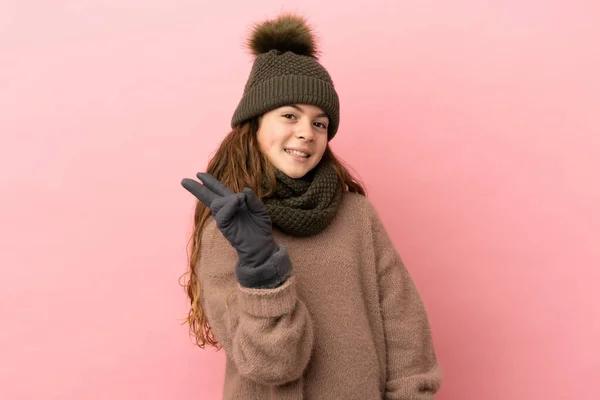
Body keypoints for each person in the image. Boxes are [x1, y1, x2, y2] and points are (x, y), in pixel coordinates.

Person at [181, 13, 442, 399]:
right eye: (290, 115)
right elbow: (272, 365)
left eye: (320, 123)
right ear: (254, 123)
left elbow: (406, 335)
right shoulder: (229, 228)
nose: (306, 133)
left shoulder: (356, 216)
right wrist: (262, 271)